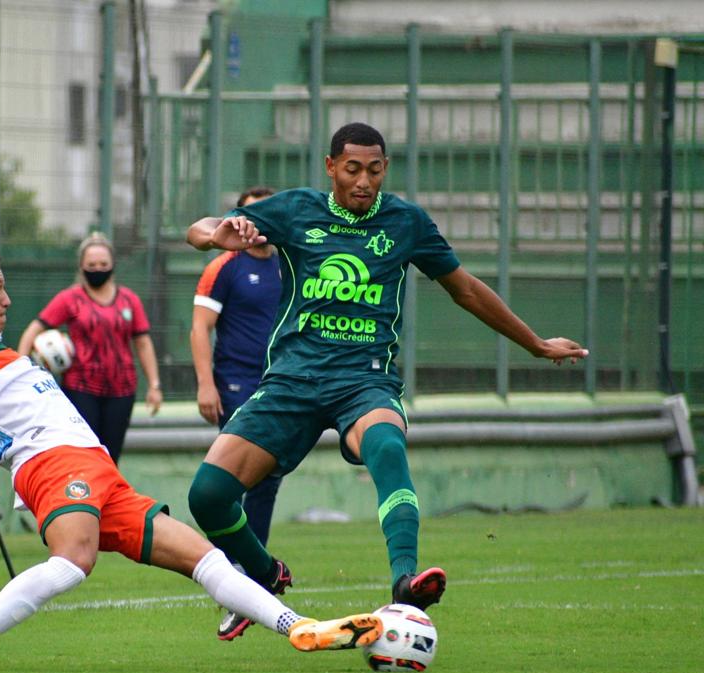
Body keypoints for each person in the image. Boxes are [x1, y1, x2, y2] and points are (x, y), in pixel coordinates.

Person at [0, 242, 383, 672]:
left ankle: (300, 627)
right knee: (73, 561)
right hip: (52, 464)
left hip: (98, 469)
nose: (7, 300)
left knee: (204, 557)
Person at [185, 122, 589, 617]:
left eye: (374, 171)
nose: (363, 182)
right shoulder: (294, 210)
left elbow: (465, 289)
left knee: (387, 443)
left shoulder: (405, 222)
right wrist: (217, 236)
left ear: (385, 170)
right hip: (293, 378)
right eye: (352, 169)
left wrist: (536, 344)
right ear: (331, 167)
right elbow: (199, 228)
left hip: (364, 379)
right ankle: (266, 571)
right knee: (207, 496)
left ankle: (405, 580)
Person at [190, 185, 288, 640]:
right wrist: (206, 383)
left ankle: (250, 573)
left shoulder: (291, 264)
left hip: (283, 385)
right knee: (232, 481)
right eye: (249, 216)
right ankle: (232, 578)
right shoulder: (225, 266)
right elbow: (200, 328)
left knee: (269, 478)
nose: (256, 225)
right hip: (236, 384)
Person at [17, 232, 162, 464]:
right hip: (80, 389)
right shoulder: (70, 298)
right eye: (91, 264)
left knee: (110, 459)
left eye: (103, 264)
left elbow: (143, 343)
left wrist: (154, 385)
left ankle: (107, 500)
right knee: (84, 456)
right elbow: (35, 328)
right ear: (81, 266)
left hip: (122, 391)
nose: (98, 269)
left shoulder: (129, 300)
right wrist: (21, 370)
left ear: (113, 265)